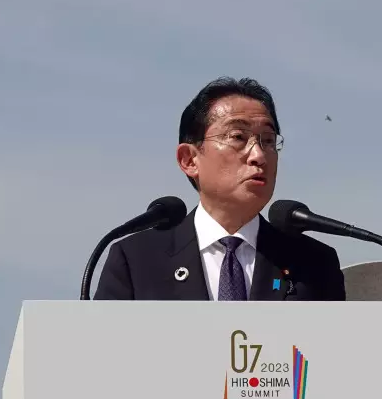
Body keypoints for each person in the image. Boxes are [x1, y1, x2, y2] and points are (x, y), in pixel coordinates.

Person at [93, 77, 346, 301]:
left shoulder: (315, 263)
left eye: (268, 141)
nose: (259, 155)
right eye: (238, 137)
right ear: (189, 160)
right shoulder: (136, 259)